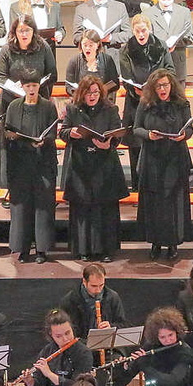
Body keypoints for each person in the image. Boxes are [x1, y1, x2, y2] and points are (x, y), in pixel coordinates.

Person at [62, 75, 127, 263]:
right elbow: (63, 132)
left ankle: (106, 250)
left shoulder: (110, 109)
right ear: (81, 93)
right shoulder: (73, 109)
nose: (92, 96)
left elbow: (117, 133)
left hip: (104, 165)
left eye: (96, 92)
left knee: (105, 209)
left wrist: (109, 143)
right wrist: (71, 133)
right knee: (82, 209)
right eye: (88, 93)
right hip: (81, 166)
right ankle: (83, 249)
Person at [132, 68, 193, 260]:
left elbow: (190, 128)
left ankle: (173, 243)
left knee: (173, 202)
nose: (162, 89)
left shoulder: (181, 103)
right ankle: (155, 242)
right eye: (158, 86)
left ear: (171, 85)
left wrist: (184, 135)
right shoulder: (146, 104)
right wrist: (148, 135)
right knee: (155, 203)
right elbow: (136, 129)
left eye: (165, 85)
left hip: (175, 157)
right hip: (153, 159)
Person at [2, 67, 62, 264]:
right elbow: (8, 131)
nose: (31, 89)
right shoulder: (14, 107)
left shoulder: (48, 106)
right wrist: (16, 137)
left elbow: (52, 131)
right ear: (22, 86)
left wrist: (44, 141)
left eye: (34, 85)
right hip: (21, 163)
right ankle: (23, 248)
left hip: (43, 162)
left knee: (43, 207)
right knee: (22, 208)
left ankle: (41, 250)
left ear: (39, 86)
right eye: (28, 86)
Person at [118, 13, 174, 183]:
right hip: (136, 102)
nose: (141, 34)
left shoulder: (160, 45)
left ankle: (160, 184)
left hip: (159, 101)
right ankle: (138, 185)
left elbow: (170, 70)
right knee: (137, 145)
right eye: (137, 31)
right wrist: (136, 90)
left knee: (159, 143)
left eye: (144, 30)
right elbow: (126, 77)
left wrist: (158, 87)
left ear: (149, 29)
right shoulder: (126, 50)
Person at [0, 13, 58, 114]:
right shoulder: (6, 49)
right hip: (12, 100)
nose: (24, 34)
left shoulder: (44, 47)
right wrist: (14, 87)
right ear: (15, 32)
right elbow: (1, 78)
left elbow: (52, 75)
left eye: (27, 30)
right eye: (20, 31)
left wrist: (34, 86)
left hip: (38, 98)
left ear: (34, 31)